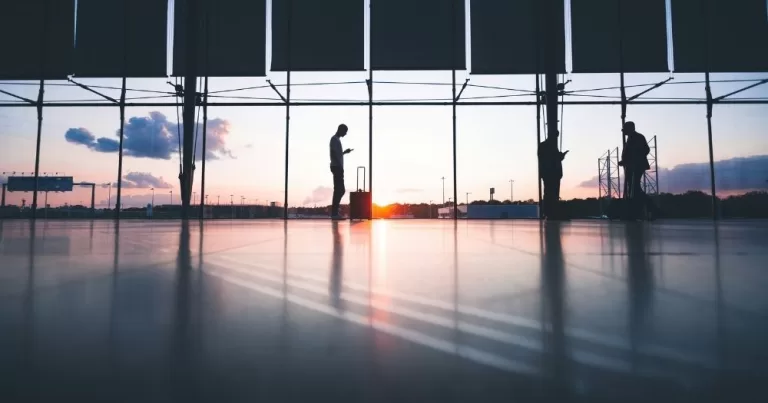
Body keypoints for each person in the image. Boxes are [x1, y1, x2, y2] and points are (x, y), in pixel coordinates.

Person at [620, 121, 660, 219]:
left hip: (636, 166)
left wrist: (634, 159)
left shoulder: (637, 137)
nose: (623, 132)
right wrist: (624, 161)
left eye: (625, 130)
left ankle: (649, 207)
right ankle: (639, 210)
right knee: (633, 189)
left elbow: (645, 150)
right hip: (631, 166)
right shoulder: (630, 139)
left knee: (635, 188)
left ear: (630, 129)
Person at [538, 129, 568, 219]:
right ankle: (550, 212)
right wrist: (560, 156)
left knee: (550, 193)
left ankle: (549, 212)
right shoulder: (547, 146)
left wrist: (559, 156)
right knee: (550, 193)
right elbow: (549, 159)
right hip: (551, 174)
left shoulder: (545, 145)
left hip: (551, 174)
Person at [329, 124, 353, 219]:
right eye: (345, 131)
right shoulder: (334, 139)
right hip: (337, 167)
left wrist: (344, 153)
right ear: (340, 130)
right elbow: (334, 154)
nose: (345, 133)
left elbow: (337, 154)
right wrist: (339, 165)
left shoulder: (336, 140)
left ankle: (335, 212)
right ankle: (334, 213)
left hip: (337, 166)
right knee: (339, 190)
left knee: (339, 190)